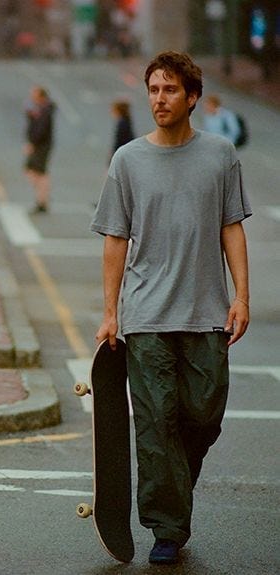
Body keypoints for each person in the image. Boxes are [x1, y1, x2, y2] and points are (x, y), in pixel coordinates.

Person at [91, 51, 251, 565]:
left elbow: (232, 227)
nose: (159, 100)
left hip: (206, 311)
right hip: (146, 315)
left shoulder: (221, 154)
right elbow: (115, 238)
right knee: (158, 421)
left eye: (169, 91)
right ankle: (166, 526)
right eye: (153, 90)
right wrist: (111, 311)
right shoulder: (128, 160)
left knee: (203, 416)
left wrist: (242, 297)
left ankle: (172, 491)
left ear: (193, 98)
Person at [23, 85, 55, 213]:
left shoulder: (45, 110)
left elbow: (41, 131)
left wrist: (32, 144)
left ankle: (43, 199)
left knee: (39, 173)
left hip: (41, 146)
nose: (32, 98)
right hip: (40, 145)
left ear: (41, 96)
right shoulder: (41, 109)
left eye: (34, 95)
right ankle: (42, 197)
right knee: (31, 171)